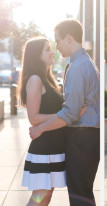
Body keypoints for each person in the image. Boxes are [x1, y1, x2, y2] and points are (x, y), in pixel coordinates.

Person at [29, 19, 100, 206]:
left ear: (69, 39)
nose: (56, 46)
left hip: (82, 139)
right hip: (85, 138)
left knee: (80, 196)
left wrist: (40, 128)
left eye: (58, 41)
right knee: (81, 193)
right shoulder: (83, 63)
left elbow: (70, 113)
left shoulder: (77, 67)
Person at [17, 37, 67, 205]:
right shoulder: (35, 80)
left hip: (53, 147)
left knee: (46, 197)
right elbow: (33, 118)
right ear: (36, 56)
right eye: (47, 49)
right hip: (44, 149)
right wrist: (64, 115)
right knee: (40, 197)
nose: (52, 51)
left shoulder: (48, 79)